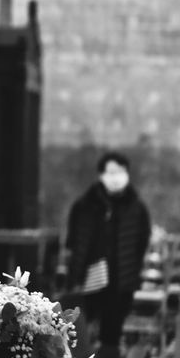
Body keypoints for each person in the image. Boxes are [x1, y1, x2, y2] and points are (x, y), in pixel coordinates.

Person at [63, 151, 151, 358]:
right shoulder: (85, 204)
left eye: (120, 171)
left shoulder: (136, 207)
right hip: (88, 279)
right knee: (78, 331)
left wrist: (134, 271)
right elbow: (73, 240)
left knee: (111, 333)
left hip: (121, 280)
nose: (116, 177)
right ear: (101, 174)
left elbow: (141, 242)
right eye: (111, 172)